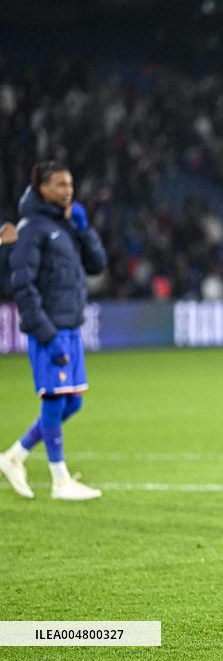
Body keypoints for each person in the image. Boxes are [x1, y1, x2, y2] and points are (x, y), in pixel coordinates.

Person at [0, 162, 106, 501]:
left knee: (72, 402)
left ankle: (14, 457)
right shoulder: (31, 229)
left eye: (70, 184)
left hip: (70, 326)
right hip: (50, 327)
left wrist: (84, 228)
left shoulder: (67, 226)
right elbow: (22, 284)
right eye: (60, 184)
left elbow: (97, 265)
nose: (68, 190)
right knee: (54, 398)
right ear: (42, 188)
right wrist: (45, 332)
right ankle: (60, 481)